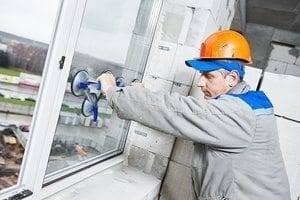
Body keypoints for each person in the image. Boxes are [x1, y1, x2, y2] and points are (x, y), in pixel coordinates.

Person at [97, 30, 291, 200]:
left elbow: (177, 111)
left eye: (209, 76)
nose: (200, 83)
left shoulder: (239, 113)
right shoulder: (247, 104)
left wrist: (113, 92)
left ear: (232, 78)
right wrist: (141, 94)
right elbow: (187, 114)